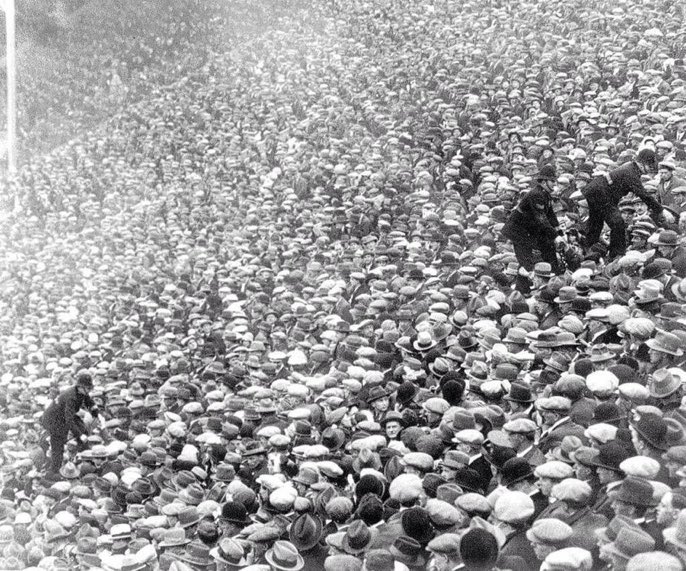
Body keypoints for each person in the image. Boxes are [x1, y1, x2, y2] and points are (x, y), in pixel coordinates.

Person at [582, 148, 664, 259]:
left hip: (596, 190)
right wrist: (660, 210)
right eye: (649, 166)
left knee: (596, 222)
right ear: (642, 163)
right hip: (601, 192)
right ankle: (616, 255)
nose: (649, 170)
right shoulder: (631, 172)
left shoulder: (631, 168)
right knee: (617, 223)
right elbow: (643, 194)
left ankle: (588, 248)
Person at [502, 165, 562, 289]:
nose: (554, 184)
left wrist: (559, 232)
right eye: (552, 181)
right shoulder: (537, 194)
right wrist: (555, 236)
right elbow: (542, 219)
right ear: (544, 181)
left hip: (528, 231)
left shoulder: (545, 194)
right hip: (518, 232)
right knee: (527, 262)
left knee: (540, 255)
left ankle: (537, 282)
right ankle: (526, 287)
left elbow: (550, 216)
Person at [41, 370, 99, 474]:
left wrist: (95, 411)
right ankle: (55, 470)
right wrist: (79, 435)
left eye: (90, 388)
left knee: (84, 429)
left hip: (64, 415)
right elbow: (69, 420)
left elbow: (88, 400)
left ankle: (80, 452)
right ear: (80, 387)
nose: (89, 391)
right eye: (88, 388)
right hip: (54, 420)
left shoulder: (81, 391)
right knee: (58, 446)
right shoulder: (71, 397)